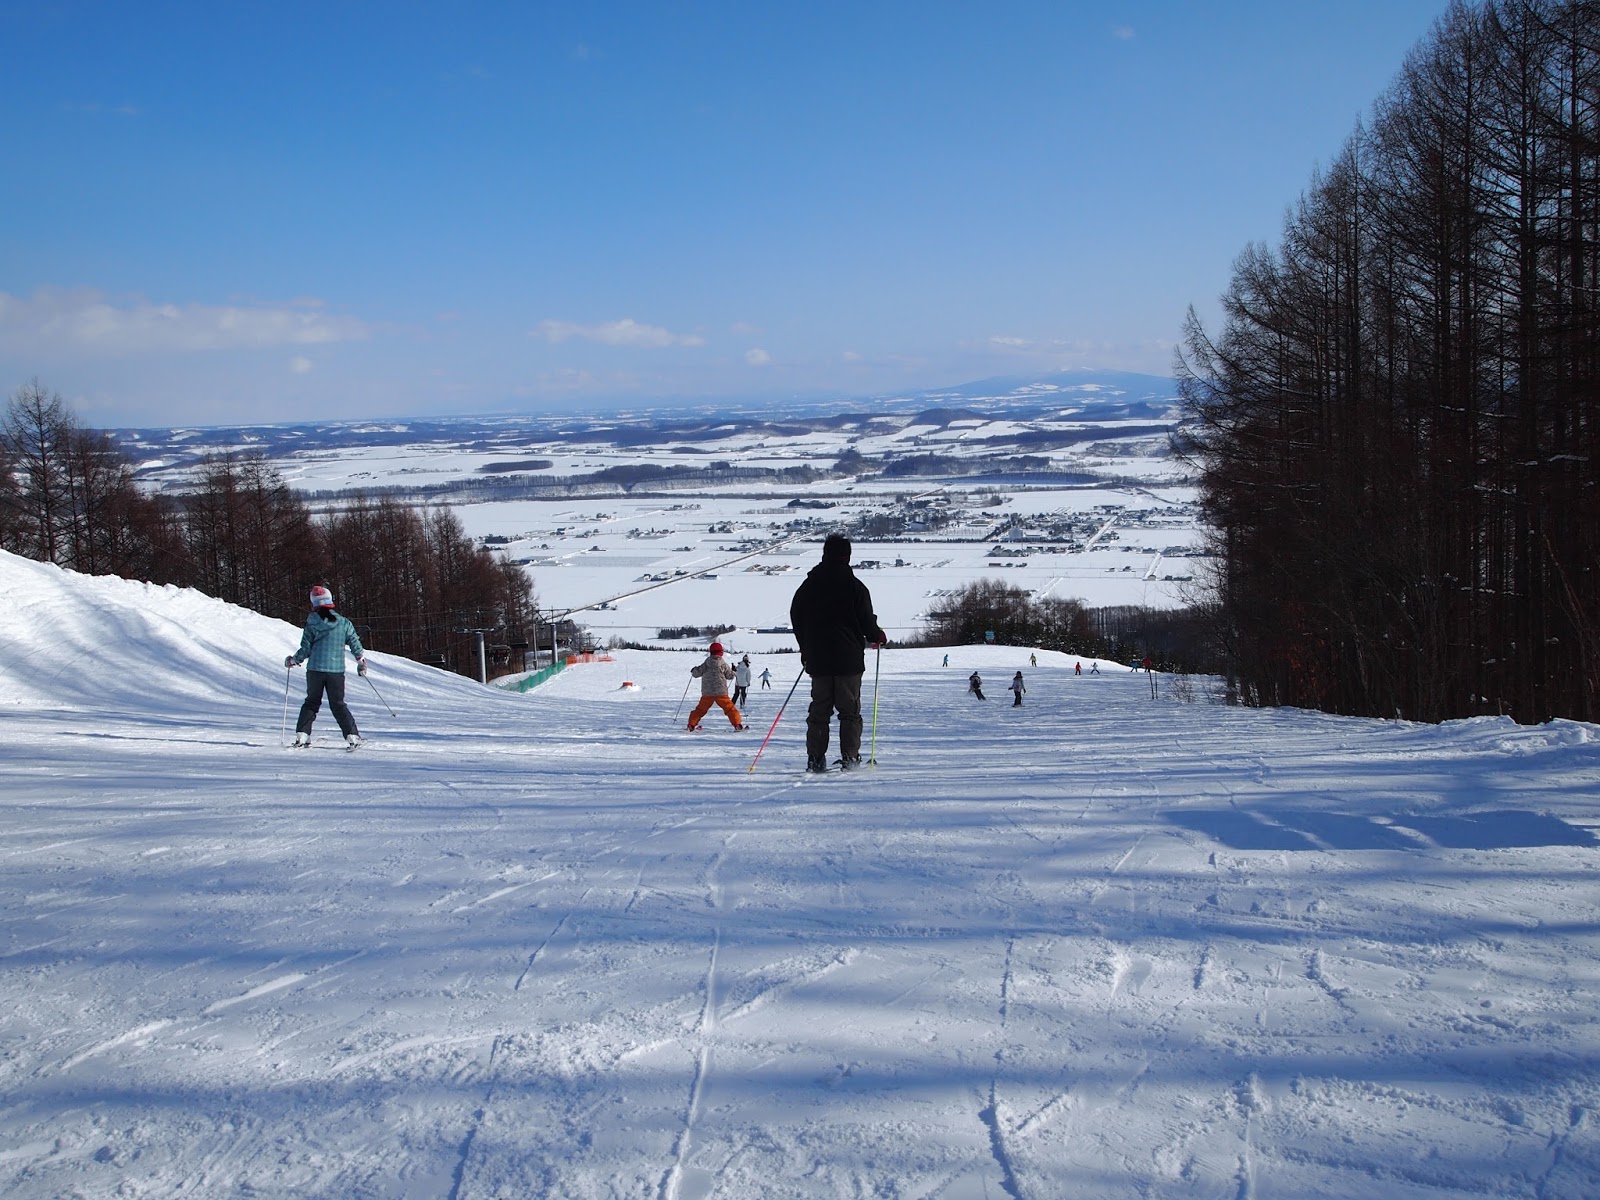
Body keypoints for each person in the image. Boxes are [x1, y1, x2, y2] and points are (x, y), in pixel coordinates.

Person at [789, 534, 886, 772]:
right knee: (849, 712)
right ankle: (850, 758)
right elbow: (866, 620)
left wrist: (805, 646)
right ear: (847, 556)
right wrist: (877, 635)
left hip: (818, 660)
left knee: (819, 711)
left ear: (824, 554)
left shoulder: (808, 586)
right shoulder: (855, 587)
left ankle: (815, 759)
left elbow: (796, 616)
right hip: (848, 661)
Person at [284, 584, 367, 747]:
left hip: (315, 670)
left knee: (311, 702)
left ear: (314, 603)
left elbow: (306, 648)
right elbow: (355, 644)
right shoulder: (344, 623)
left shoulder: (311, 622)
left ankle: (302, 735)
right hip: (336, 671)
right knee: (338, 704)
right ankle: (352, 737)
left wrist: (293, 660)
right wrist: (361, 662)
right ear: (330, 600)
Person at [687, 642, 743, 731]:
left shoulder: (706, 663)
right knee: (730, 709)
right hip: (721, 692)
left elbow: (696, 673)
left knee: (700, 709)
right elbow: (730, 676)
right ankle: (737, 724)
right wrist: (734, 671)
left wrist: (694, 670)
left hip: (707, 692)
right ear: (721, 652)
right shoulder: (723, 664)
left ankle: (691, 724)